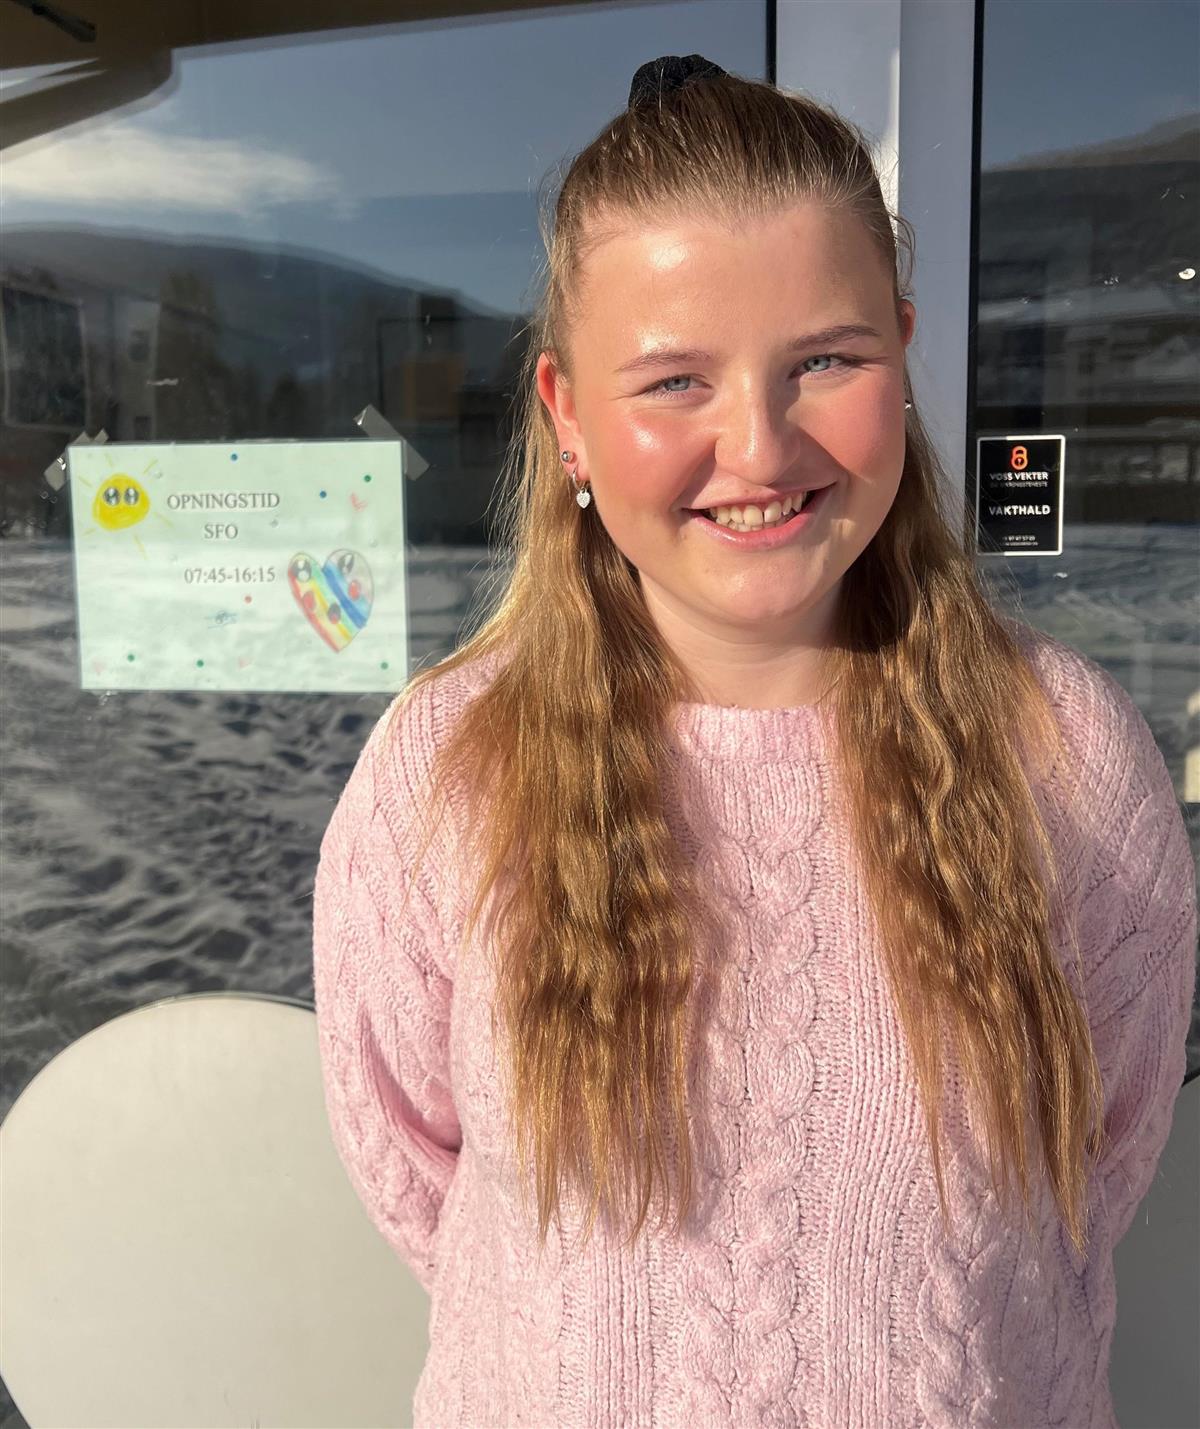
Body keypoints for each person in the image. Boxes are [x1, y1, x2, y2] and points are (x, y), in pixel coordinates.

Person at [311, 55, 1197, 1429]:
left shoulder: (1065, 754)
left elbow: (1102, 1152)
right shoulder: (447, 772)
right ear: (567, 415)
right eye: (674, 381)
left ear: (904, 353)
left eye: (826, 362)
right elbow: (415, 1164)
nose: (760, 446)